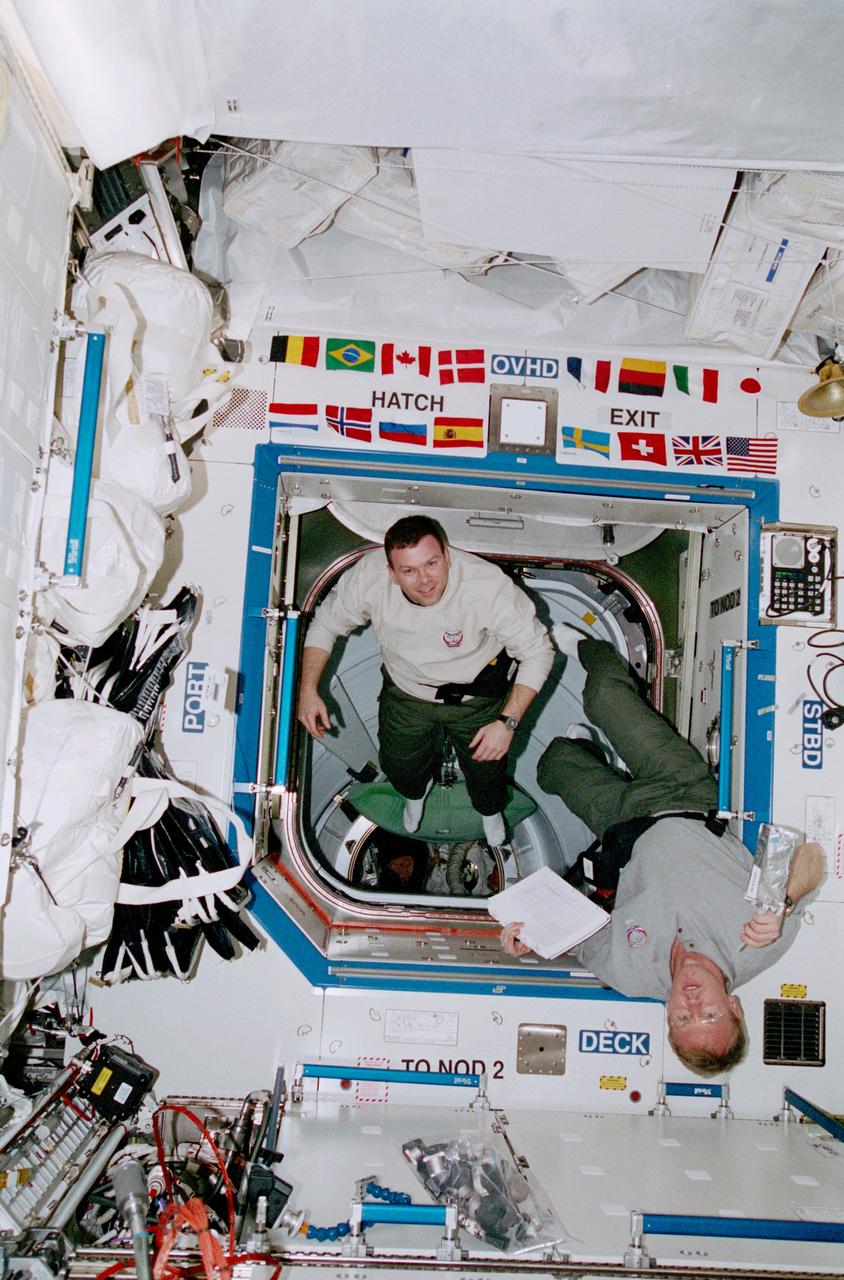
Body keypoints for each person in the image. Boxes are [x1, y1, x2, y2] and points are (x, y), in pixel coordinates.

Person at [501, 631, 823, 1076]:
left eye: (683, 1018)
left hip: (622, 825)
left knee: (552, 762)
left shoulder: (628, 976)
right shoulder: (762, 941)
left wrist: (529, 939)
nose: (692, 1002)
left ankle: (588, 753)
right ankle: (589, 643)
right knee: (603, 695)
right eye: (709, 1014)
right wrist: (783, 902)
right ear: (734, 1005)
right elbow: (812, 856)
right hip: (684, 792)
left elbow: (571, 932)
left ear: (667, 1017)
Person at [298, 515, 553, 846]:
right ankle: (414, 796)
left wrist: (507, 722)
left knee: (487, 768)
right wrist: (308, 689)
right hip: (407, 692)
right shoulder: (369, 578)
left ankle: (490, 811)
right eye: (409, 571)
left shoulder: (486, 586)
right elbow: (325, 624)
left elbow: (538, 650)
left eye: (432, 563)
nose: (425, 580)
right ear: (391, 572)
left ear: (447, 556)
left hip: (476, 696)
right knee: (399, 762)